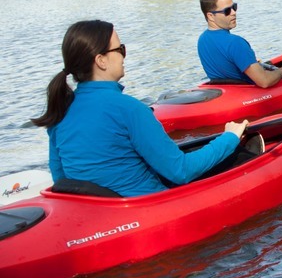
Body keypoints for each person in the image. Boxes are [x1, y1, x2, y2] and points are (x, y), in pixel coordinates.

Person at [31, 20, 249, 197]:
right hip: (148, 208)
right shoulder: (130, 109)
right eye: (120, 49)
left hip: (99, 214)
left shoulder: (59, 111)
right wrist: (228, 138)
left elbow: (61, 179)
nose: (125, 55)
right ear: (101, 61)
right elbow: (181, 171)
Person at [197, 0, 282, 88]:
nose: (233, 12)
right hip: (249, 92)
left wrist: (245, 59)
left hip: (227, 92)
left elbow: (225, 63)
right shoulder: (235, 42)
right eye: (227, 10)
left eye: (234, 7)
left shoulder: (202, 39)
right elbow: (264, 82)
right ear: (210, 16)